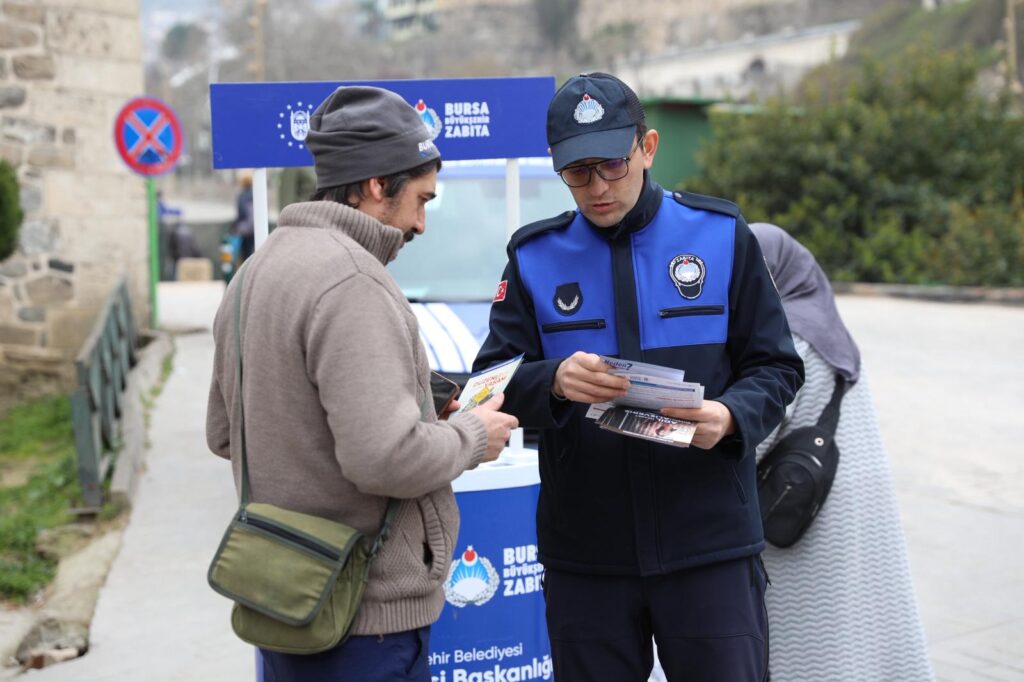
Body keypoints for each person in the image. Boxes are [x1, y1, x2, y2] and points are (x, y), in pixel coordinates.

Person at [472, 72, 805, 682]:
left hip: (710, 548)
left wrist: (731, 418)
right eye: (578, 172)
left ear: (647, 148)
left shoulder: (721, 236)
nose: (598, 188)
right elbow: (489, 384)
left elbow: (778, 365)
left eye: (612, 166)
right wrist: (552, 380)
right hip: (587, 559)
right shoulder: (533, 258)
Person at [205, 85, 519, 682]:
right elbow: (384, 457)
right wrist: (471, 436)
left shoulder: (254, 272)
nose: (421, 223)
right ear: (376, 185)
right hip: (364, 620)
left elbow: (226, 432)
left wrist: (416, 400)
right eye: (420, 200)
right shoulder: (352, 280)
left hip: (286, 598)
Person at [748, 222, 934, 681]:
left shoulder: (791, 339)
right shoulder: (821, 321)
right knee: (861, 633)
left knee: (816, 642)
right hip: (843, 497)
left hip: (805, 517)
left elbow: (751, 440)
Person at [232, 170, 255, 263]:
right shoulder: (256, 194)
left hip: (244, 230)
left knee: (244, 254)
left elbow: (241, 213)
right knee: (253, 252)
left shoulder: (242, 195)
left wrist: (234, 227)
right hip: (254, 228)